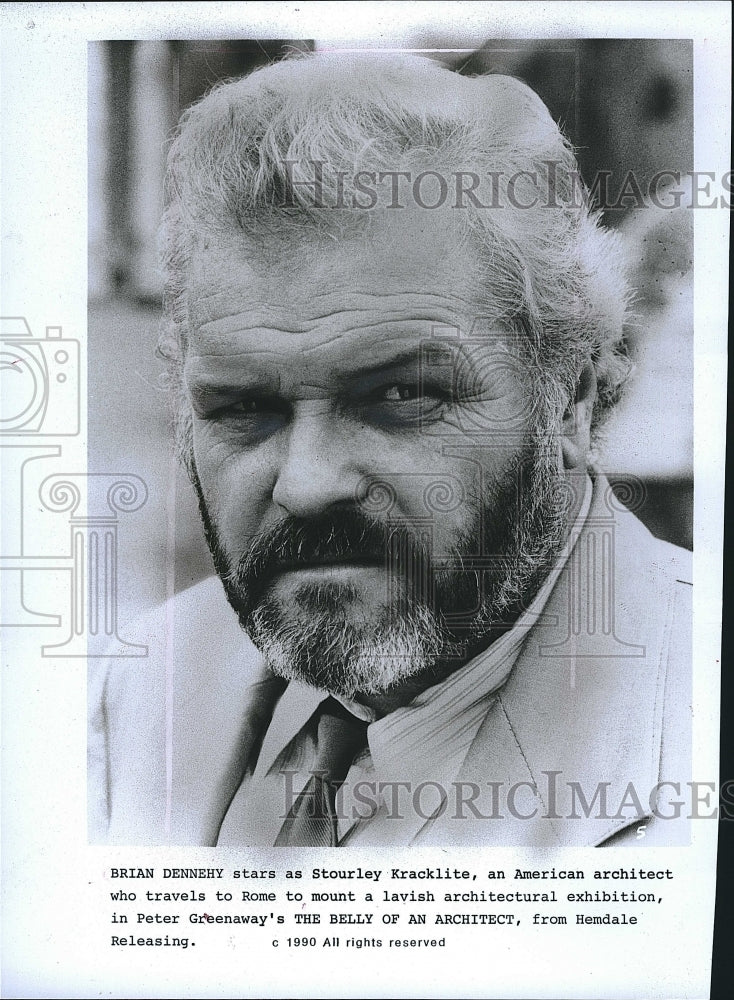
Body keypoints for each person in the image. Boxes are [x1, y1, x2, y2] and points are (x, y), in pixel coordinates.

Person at [89, 51, 691, 847]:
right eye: (243, 407)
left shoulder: (691, 723)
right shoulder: (144, 680)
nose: (306, 485)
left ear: (571, 396)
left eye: (400, 396)